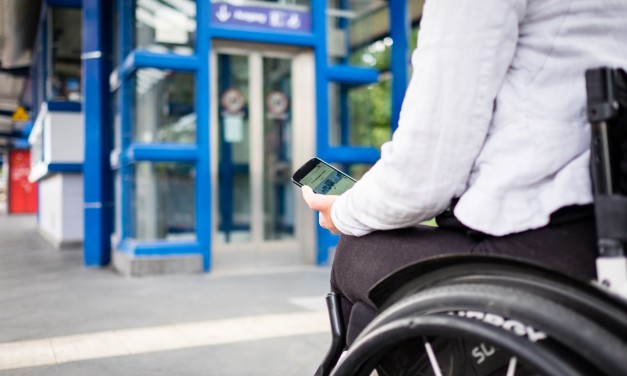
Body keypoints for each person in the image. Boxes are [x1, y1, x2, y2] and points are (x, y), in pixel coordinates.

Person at [301, 0, 627, 347]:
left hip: (545, 250)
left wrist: (343, 211)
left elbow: (421, 178)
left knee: (357, 251)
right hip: (607, 232)